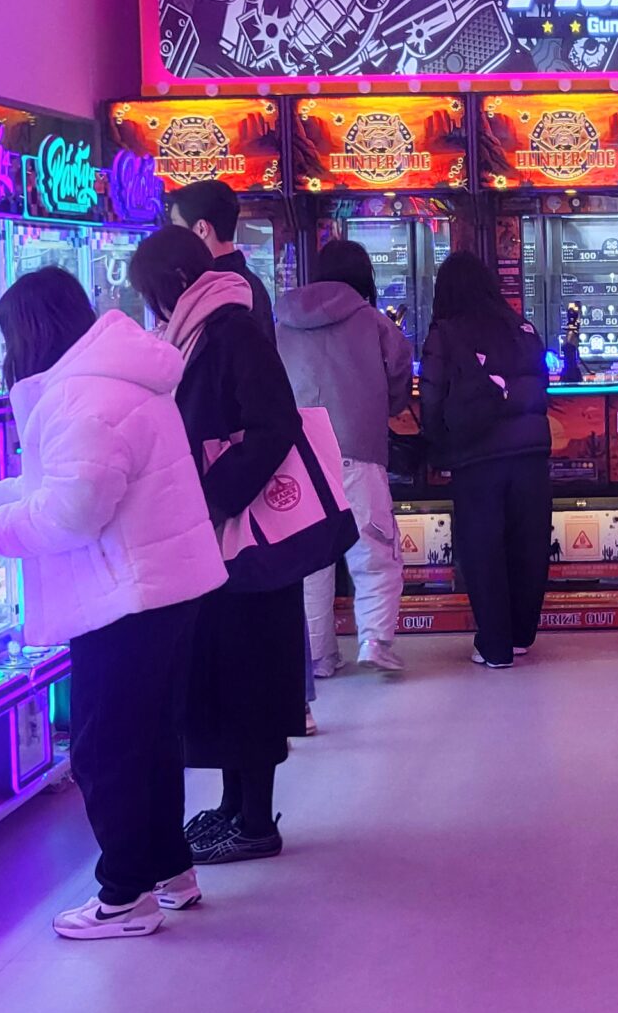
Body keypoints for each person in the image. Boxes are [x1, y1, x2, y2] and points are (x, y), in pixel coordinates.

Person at [0, 266, 226, 939]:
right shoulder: (108, 377)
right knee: (151, 739)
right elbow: (67, 478)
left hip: (126, 596)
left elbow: (74, 510)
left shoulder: (80, 394)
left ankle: (124, 896)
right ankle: (170, 871)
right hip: (159, 584)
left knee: (104, 749)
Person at [129, 225, 306, 863]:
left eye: (154, 293)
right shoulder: (203, 331)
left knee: (250, 674)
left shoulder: (232, 330)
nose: (153, 308)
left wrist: (216, 494)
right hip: (219, 537)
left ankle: (255, 821)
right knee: (228, 675)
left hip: (249, 537)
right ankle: (234, 807)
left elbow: (275, 424)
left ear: (177, 282)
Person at [277, 238, 413, 678]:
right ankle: (375, 641)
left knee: (312, 560)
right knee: (374, 549)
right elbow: (399, 380)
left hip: (298, 456)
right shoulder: (375, 323)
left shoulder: (281, 323)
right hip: (358, 450)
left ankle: (319, 656)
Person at [418, 252, 552, 670]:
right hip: (531, 453)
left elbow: (431, 396)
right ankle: (520, 636)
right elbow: (543, 386)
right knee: (528, 544)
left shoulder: (445, 332)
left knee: (484, 549)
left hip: (476, 456)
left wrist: (437, 445)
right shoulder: (522, 328)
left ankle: (494, 646)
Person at [166, 179, 275, 333]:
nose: (172, 237)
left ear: (202, 229)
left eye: (176, 225)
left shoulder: (219, 290)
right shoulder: (247, 283)